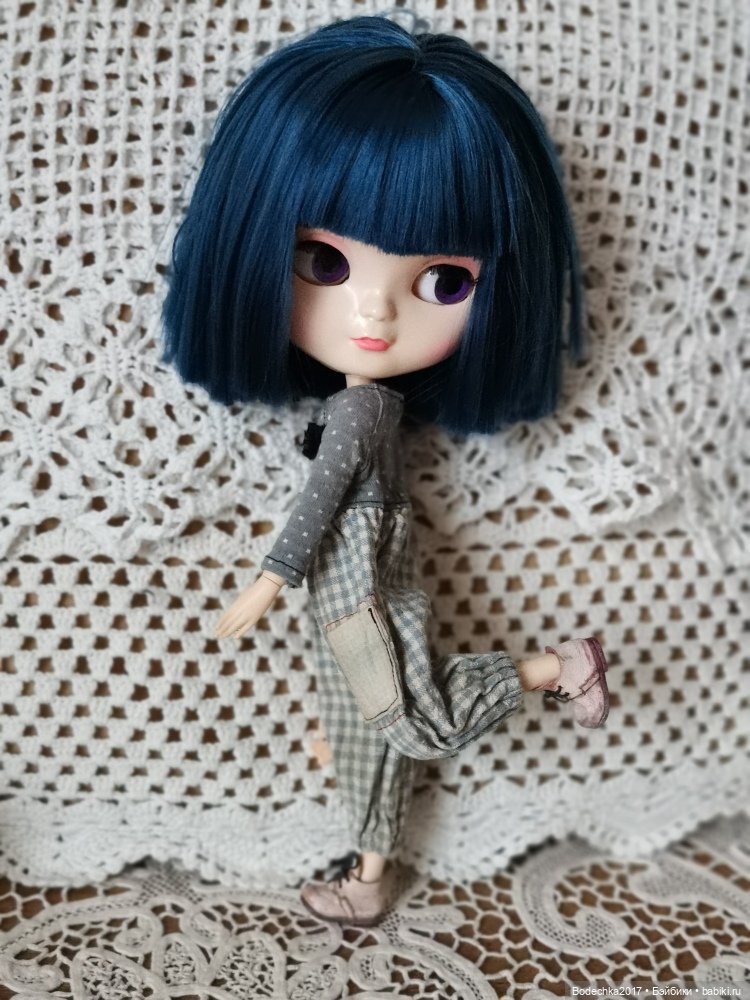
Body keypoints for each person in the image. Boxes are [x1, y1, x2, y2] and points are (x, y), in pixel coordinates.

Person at [162, 15, 610, 926]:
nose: (373, 314)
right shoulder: (361, 407)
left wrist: (267, 579)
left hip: (356, 592)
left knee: (417, 722)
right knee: (368, 730)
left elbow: (324, 497)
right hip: (349, 600)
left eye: (445, 282)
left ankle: (556, 666)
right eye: (323, 261)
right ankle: (366, 871)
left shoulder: (362, 409)